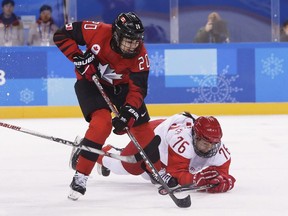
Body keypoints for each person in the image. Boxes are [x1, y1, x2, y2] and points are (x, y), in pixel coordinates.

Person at [53, 12, 155, 200]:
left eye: (136, 41)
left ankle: (157, 169)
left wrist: (129, 113)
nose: (133, 45)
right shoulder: (97, 31)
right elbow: (60, 34)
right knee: (101, 125)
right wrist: (78, 58)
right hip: (90, 83)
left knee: (141, 127)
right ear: (116, 34)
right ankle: (81, 174)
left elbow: (138, 90)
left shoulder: (141, 55)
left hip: (121, 88)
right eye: (128, 40)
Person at [95, 112, 236, 193]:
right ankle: (96, 153)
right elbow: (175, 173)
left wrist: (224, 182)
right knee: (125, 167)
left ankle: (129, 157)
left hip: (166, 153)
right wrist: (195, 180)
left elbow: (223, 174)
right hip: (154, 134)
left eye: (213, 144)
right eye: (206, 144)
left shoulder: (218, 149)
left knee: (146, 174)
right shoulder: (182, 142)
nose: (210, 148)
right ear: (195, 137)